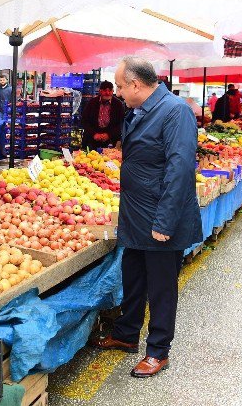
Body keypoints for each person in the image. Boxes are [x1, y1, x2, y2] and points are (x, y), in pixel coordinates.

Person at [91, 56, 202, 378]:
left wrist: (165, 222)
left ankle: (158, 351)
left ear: (137, 85)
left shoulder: (175, 111)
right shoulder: (140, 110)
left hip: (160, 216)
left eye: (123, 87)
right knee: (134, 277)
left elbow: (180, 169)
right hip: (136, 213)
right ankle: (127, 335)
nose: (120, 93)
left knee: (162, 286)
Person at [81, 80, 125, 149]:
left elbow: (122, 123)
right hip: (92, 140)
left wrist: (109, 135)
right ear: (100, 91)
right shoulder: (92, 103)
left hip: (111, 141)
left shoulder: (118, 104)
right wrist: (94, 134)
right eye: (105, 90)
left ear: (113, 91)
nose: (107, 93)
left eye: (110, 90)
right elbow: (84, 120)